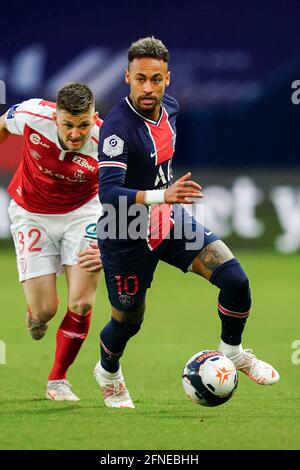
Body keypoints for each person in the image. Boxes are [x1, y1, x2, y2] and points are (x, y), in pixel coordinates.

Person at [94, 37, 280, 409]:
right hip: (125, 232)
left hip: (167, 221)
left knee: (235, 280)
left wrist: (166, 200)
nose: (148, 88)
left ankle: (233, 352)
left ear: (168, 79)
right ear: (127, 76)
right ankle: (108, 371)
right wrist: (164, 194)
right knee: (128, 322)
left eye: (157, 79)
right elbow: (109, 192)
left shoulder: (171, 108)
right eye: (141, 79)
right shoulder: (117, 129)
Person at [0, 82, 103, 400]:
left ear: (93, 117)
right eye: (68, 125)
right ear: (56, 117)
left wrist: (110, 237)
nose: (75, 134)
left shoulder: (108, 141)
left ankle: (57, 379)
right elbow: (3, 123)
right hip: (31, 214)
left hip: (82, 215)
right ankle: (37, 313)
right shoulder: (32, 114)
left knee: (82, 302)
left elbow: (124, 189)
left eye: (83, 124)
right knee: (44, 311)